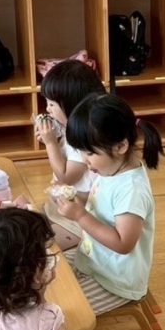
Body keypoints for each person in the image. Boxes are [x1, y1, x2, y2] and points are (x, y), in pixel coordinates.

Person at [52, 93, 163, 330]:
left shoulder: (131, 189)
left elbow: (123, 244)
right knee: (47, 271)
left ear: (121, 146)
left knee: (61, 320)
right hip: (93, 261)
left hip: (116, 280)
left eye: (90, 153)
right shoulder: (110, 170)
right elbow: (100, 206)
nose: (85, 160)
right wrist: (76, 201)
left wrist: (79, 216)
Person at [34, 60, 106, 233]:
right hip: (79, 198)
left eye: (52, 104)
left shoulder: (82, 136)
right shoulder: (79, 125)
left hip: (86, 207)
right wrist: (54, 139)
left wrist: (51, 143)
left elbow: (66, 177)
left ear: (72, 105)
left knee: (41, 225)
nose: (48, 109)